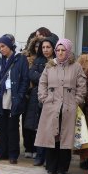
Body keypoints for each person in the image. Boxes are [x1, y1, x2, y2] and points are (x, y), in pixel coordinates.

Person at [35, 38, 87, 174]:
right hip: (51, 106)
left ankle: (62, 168)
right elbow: (42, 83)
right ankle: (51, 166)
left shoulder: (76, 67)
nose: (60, 53)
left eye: (63, 50)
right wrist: (44, 98)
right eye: (57, 50)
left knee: (66, 137)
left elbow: (82, 86)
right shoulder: (49, 66)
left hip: (69, 107)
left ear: (68, 51)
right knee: (52, 136)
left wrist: (76, 101)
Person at [0, 34, 29, 163]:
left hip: (14, 96)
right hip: (0, 96)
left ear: (10, 46)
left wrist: (20, 95)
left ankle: (13, 154)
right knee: (1, 126)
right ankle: (2, 152)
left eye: (3, 46)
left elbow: (25, 79)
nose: (1, 49)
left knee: (13, 126)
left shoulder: (20, 59)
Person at [26, 35, 57, 166]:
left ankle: (49, 157)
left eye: (48, 47)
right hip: (38, 98)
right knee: (40, 128)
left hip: (54, 98)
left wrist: (45, 79)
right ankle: (39, 156)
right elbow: (31, 74)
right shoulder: (38, 60)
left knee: (51, 129)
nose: (45, 50)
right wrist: (46, 78)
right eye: (43, 47)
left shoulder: (58, 61)